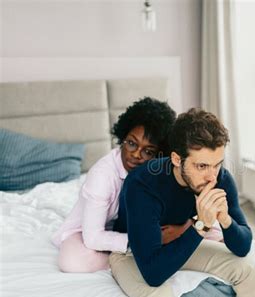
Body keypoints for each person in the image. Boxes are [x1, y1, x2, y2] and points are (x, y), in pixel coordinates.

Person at [110, 108, 255, 297]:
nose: (211, 177)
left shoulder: (220, 178)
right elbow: (153, 274)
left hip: (178, 243)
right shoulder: (142, 185)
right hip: (130, 253)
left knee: (248, 267)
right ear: (177, 159)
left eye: (217, 164)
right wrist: (201, 225)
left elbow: (242, 247)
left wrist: (225, 220)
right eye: (202, 166)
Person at [51, 97, 178, 272]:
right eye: (132, 143)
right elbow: (93, 237)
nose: (136, 155)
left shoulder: (157, 171)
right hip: (86, 233)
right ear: (123, 137)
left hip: (128, 228)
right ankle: (130, 258)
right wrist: (147, 240)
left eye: (148, 151)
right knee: (71, 262)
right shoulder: (102, 176)